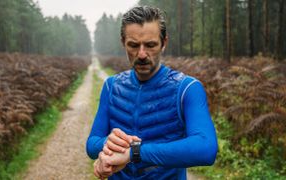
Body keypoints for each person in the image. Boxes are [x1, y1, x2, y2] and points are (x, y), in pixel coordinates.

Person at [86, 6, 218, 180]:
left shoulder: (187, 89)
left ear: (164, 43)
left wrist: (134, 152)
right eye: (133, 45)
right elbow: (92, 144)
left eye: (150, 45)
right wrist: (108, 143)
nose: (141, 54)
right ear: (123, 42)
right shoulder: (111, 86)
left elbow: (206, 148)